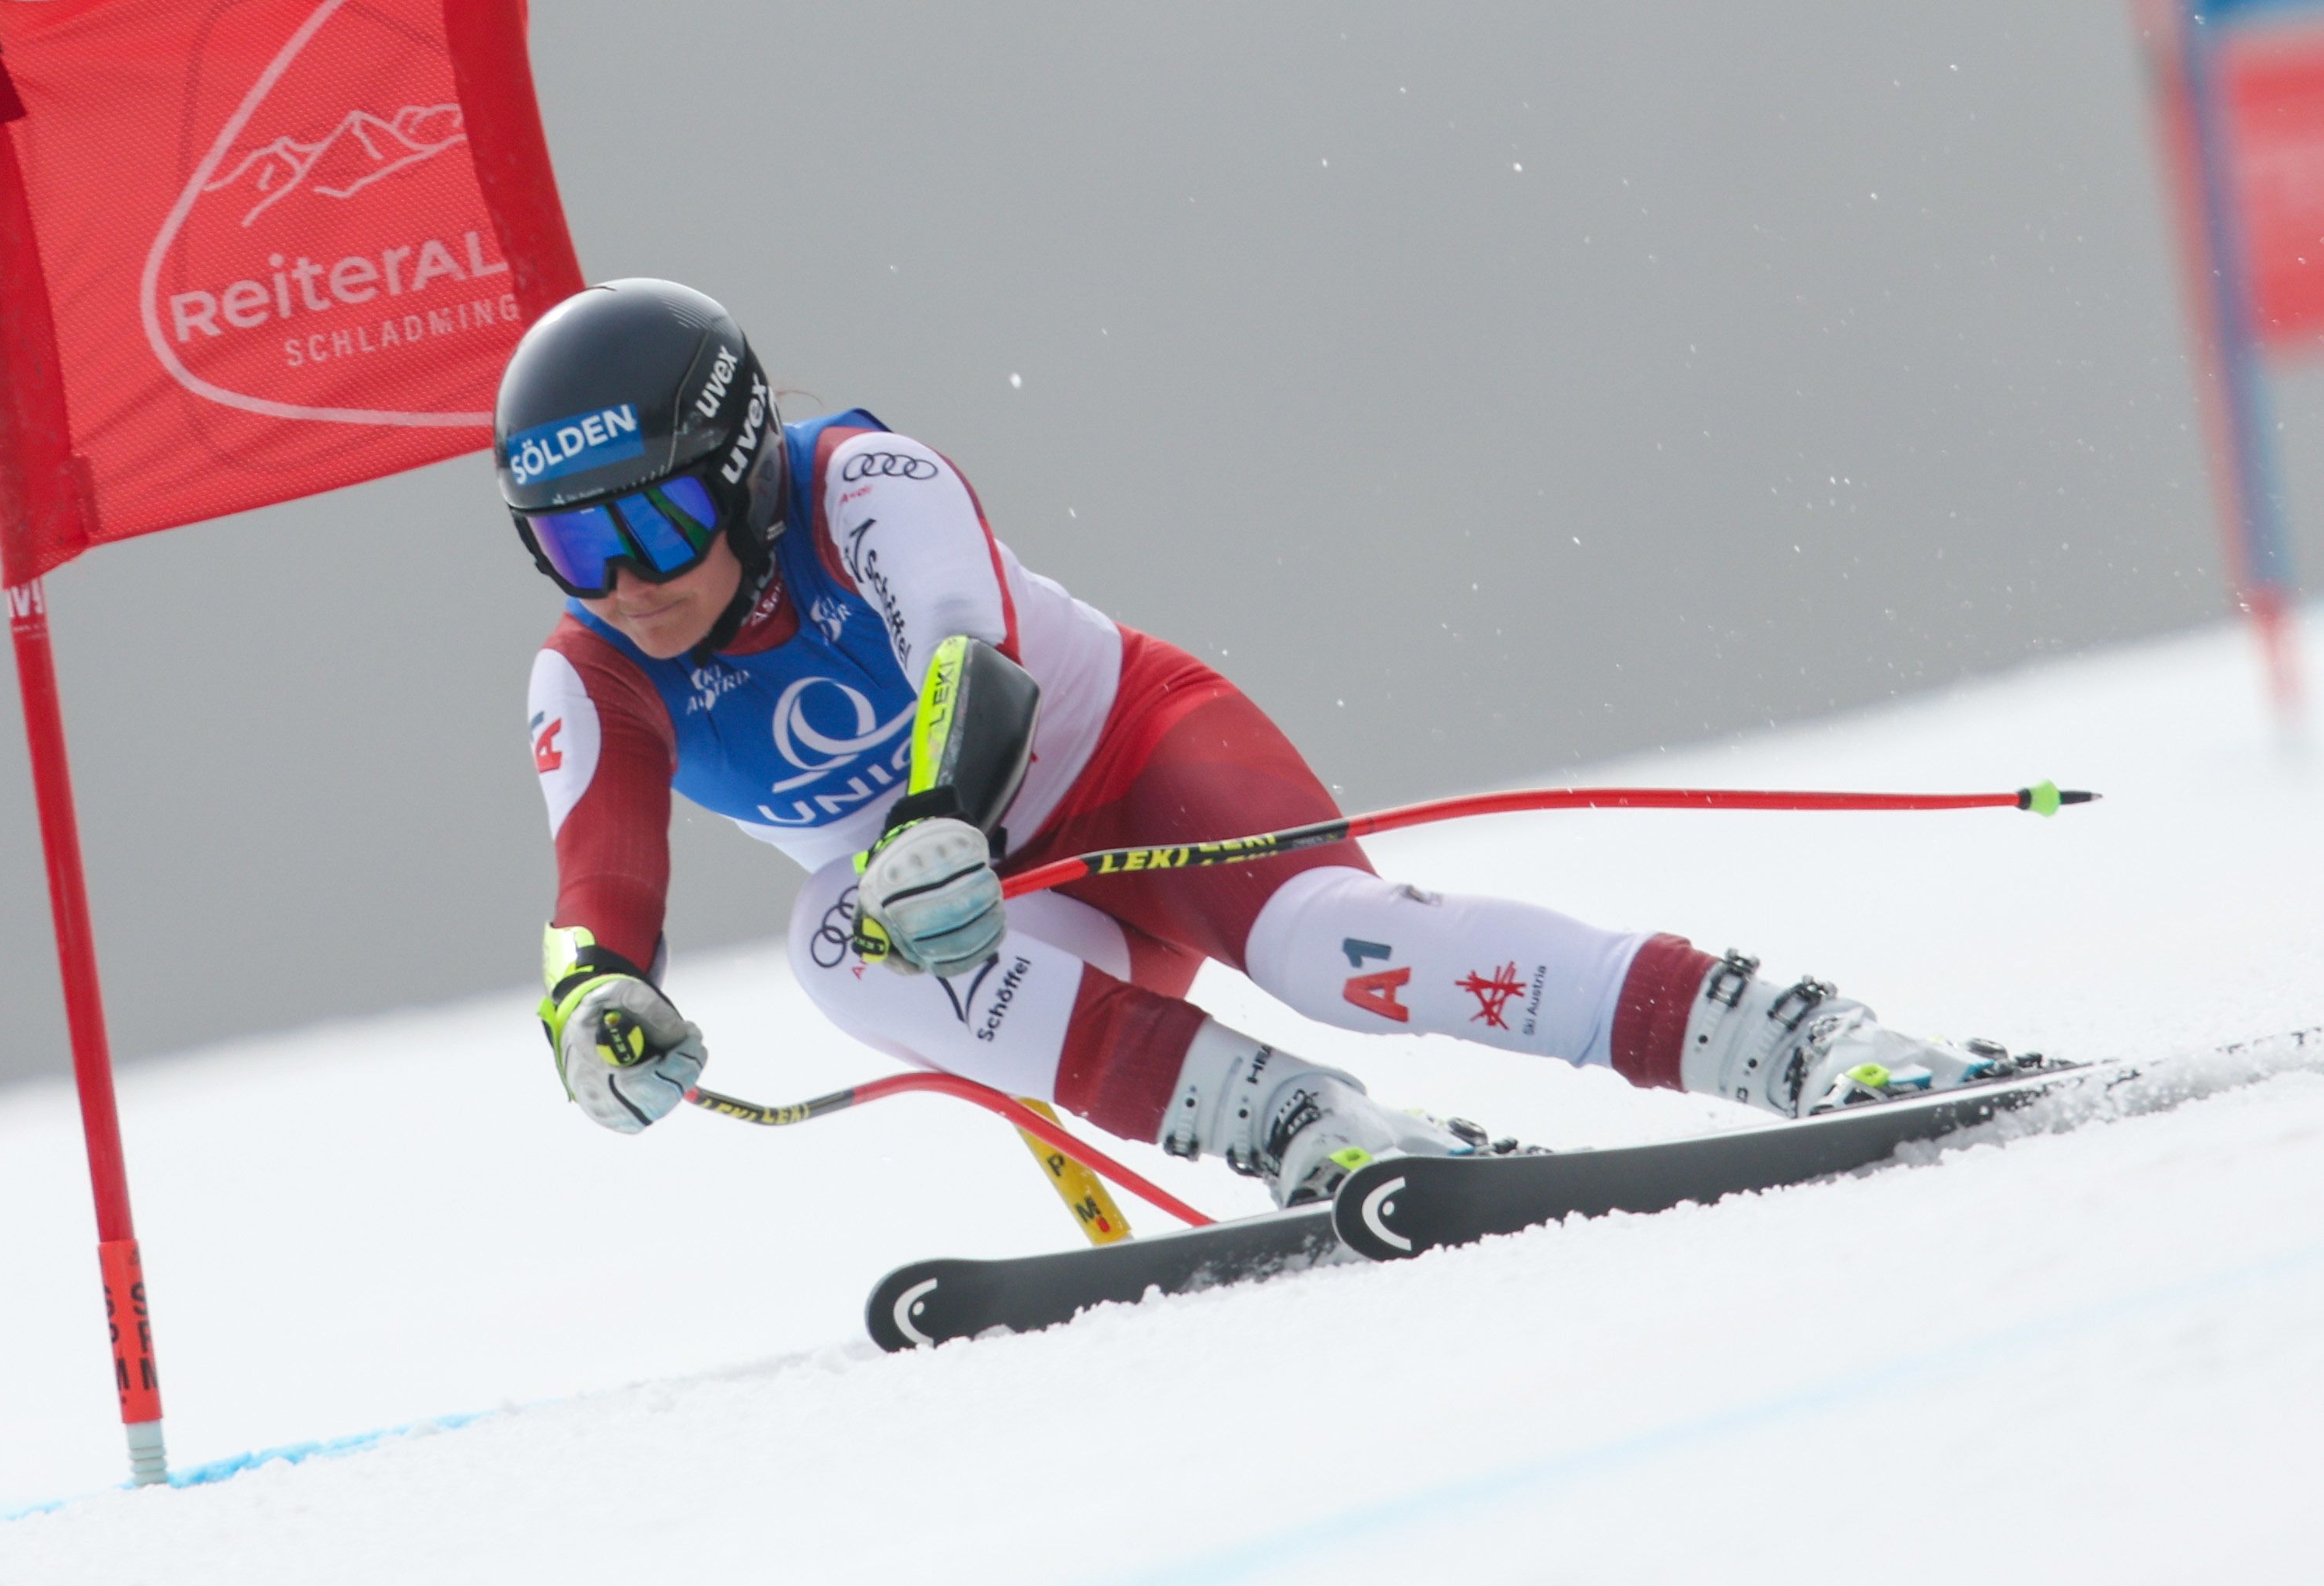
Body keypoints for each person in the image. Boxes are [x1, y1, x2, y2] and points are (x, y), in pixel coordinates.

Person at [505, 280, 2044, 1207]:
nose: (629, 584)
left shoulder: (861, 478)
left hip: (1131, 771)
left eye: (656, 519)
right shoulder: (594, 673)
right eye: (574, 549)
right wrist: (598, 1002)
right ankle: (1298, 1128)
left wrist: (938, 809)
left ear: (743, 465)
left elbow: (970, 653)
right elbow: (600, 880)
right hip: (987, 912)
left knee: (1334, 953)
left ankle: (1787, 1032)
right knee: (830, 945)